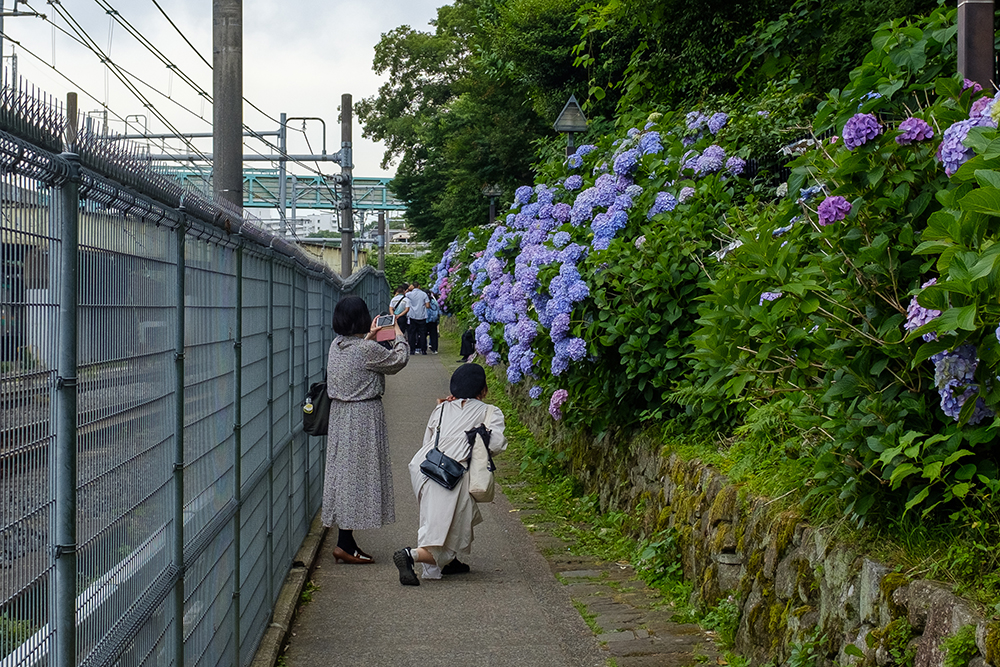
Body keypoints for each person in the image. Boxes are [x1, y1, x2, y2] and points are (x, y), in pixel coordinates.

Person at [394, 363, 507, 585]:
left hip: (425, 468)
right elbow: (496, 444)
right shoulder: (489, 412)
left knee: (433, 521)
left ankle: (442, 567)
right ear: (483, 390)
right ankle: (411, 555)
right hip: (452, 476)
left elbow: (428, 440)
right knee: (446, 531)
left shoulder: (441, 408)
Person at [323, 295, 409, 564]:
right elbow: (398, 360)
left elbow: (359, 357)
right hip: (363, 415)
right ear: (362, 318)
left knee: (344, 477)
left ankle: (344, 541)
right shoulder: (366, 350)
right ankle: (345, 544)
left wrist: (370, 337)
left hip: (339, 415)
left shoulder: (336, 346)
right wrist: (397, 332)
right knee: (359, 478)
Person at [405, 282, 430, 354]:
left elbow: (404, 295)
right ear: (419, 286)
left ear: (413, 286)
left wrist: (408, 289)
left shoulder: (409, 294)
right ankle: (423, 350)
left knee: (412, 333)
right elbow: (427, 305)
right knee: (422, 334)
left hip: (412, 316)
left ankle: (412, 350)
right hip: (422, 316)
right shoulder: (423, 294)